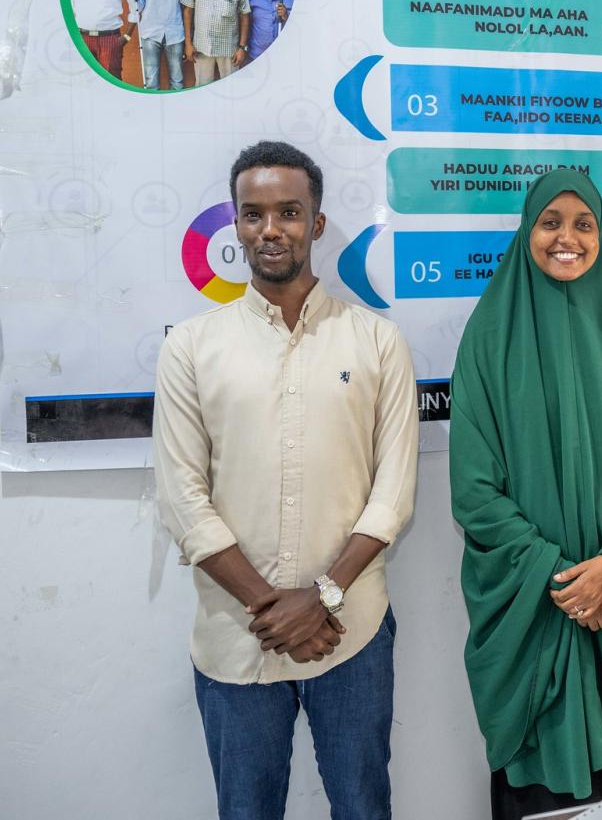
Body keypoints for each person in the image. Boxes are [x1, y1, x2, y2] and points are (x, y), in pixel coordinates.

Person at [153, 140, 418, 819]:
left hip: (351, 631)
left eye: (289, 212)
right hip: (237, 638)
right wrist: (278, 610)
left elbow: (392, 495)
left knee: (364, 807)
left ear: (317, 223)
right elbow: (184, 500)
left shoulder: (377, 341)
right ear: (235, 224)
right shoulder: (190, 346)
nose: (271, 229)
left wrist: (322, 595)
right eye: (254, 214)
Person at [449, 169, 602, 820]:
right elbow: (475, 491)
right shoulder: (487, 339)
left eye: (583, 223)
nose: (567, 236)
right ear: (527, 230)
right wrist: (567, 582)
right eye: (550, 222)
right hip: (537, 625)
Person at [182, 0, 250, 85]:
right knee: (202, 87)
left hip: (229, 49)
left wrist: (242, 47)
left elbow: (245, 16)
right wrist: (188, 44)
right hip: (201, 47)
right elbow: (187, 12)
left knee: (231, 88)